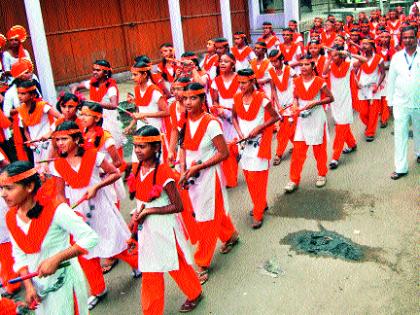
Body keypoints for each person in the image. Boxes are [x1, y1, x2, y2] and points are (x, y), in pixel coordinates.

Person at [50, 122, 138, 309]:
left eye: (64, 139)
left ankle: (138, 264)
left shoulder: (94, 156)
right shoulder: (57, 166)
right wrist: (68, 214)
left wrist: (96, 186)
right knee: (86, 252)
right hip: (79, 214)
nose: (60, 143)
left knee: (117, 242)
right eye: (57, 140)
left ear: (76, 139)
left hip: (100, 208)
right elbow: (59, 194)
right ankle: (98, 289)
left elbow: (114, 173)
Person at [2, 161, 98, 314]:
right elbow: (19, 254)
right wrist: (29, 286)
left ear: (29, 187)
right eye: (1, 188)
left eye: (9, 188)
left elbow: (90, 237)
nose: (3, 194)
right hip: (40, 289)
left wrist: (57, 258)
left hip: (65, 282)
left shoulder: (56, 209)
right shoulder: (11, 217)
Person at [129, 125, 203, 314]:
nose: (137, 150)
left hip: (164, 227)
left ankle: (194, 292)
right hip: (146, 227)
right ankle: (152, 310)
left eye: (143, 146)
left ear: (155, 148)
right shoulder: (136, 168)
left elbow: (178, 206)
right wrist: (136, 219)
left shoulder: (164, 172)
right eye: (136, 146)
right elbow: (140, 199)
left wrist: (150, 211)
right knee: (151, 268)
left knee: (174, 262)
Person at [179, 83, 239, 284]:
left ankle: (202, 261)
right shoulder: (185, 121)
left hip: (208, 178)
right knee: (212, 212)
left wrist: (199, 167)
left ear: (202, 99)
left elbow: (224, 153)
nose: (188, 102)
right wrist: (182, 169)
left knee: (206, 218)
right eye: (185, 98)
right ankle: (230, 235)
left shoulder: (211, 123)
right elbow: (183, 148)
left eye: (193, 98)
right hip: (192, 177)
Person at [232, 69, 279, 228]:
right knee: (249, 178)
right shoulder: (237, 97)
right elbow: (233, 117)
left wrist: (259, 127)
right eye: (239, 82)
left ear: (252, 82)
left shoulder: (262, 99)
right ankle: (261, 203)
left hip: (259, 145)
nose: (240, 86)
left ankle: (258, 213)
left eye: (244, 82)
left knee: (258, 180)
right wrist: (239, 133)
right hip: (244, 145)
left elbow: (276, 117)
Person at [284, 53, 334, 193]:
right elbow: (295, 97)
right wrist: (294, 104)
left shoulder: (319, 81)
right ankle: (294, 179)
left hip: (317, 118)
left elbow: (330, 98)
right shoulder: (297, 81)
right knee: (298, 152)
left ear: (313, 66)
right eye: (301, 65)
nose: (303, 67)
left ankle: (322, 174)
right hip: (302, 119)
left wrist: (316, 102)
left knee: (319, 150)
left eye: (307, 64)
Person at [323, 45, 367, 169]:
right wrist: (330, 58)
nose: (333, 57)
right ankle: (352, 144)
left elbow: (364, 60)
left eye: (336, 55)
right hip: (335, 101)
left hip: (346, 100)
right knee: (342, 124)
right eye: (332, 55)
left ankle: (335, 157)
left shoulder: (349, 64)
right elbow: (324, 72)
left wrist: (348, 53)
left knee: (341, 127)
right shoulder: (330, 65)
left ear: (341, 55)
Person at [387, 26, 420, 180]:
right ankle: (400, 168)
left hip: (418, 102)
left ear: (416, 37)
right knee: (400, 135)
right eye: (405, 37)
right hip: (400, 102)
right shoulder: (396, 57)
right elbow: (391, 81)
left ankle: (419, 153)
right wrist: (389, 101)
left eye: (411, 37)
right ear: (401, 39)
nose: (408, 40)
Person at [71, 60, 126, 151]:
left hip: (108, 119)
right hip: (94, 117)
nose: (95, 72)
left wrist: (95, 103)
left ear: (105, 72)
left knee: (110, 144)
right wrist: (74, 95)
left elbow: (114, 105)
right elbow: (75, 86)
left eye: (98, 70)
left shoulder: (111, 87)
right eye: (94, 70)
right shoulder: (92, 82)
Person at [125, 61, 170, 161]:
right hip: (141, 130)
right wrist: (130, 125)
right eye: (132, 75)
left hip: (155, 129)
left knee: (156, 160)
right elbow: (139, 111)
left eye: (135, 75)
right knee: (138, 159)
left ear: (145, 74)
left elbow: (167, 112)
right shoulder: (137, 89)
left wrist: (144, 115)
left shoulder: (154, 91)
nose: (133, 78)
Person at [16, 80, 62, 169]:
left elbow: (60, 117)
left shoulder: (42, 106)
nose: (19, 96)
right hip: (36, 146)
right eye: (19, 93)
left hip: (48, 143)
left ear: (32, 95)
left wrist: (50, 133)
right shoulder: (21, 110)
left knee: (51, 169)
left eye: (23, 94)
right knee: (40, 172)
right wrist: (31, 143)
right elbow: (26, 130)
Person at [210, 53, 240, 188]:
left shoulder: (239, 79)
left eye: (226, 62)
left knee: (236, 147)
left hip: (238, 116)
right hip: (222, 118)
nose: (222, 64)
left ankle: (233, 172)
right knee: (226, 146)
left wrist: (234, 113)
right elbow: (215, 100)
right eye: (221, 61)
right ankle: (230, 178)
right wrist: (219, 110)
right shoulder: (216, 81)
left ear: (233, 64)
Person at [268, 49, 297, 166]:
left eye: (276, 61)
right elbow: (273, 89)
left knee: (284, 131)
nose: (274, 64)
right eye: (272, 62)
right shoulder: (271, 72)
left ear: (281, 59)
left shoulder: (290, 70)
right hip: (280, 105)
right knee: (288, 128)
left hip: (291, 104)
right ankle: (298, 144)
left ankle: (278, 154)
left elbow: (298, 83)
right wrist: (276, 104)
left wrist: (295, 100)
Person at [356, 37, 385, 142]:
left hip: (374, 88)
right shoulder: (359, 58)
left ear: (372, 46)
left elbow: (383, 73)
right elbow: (354, 72)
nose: (363, 46)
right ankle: (369, 125)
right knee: (363, 112)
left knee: (373, 112)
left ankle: (370, 132)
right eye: (362, 44)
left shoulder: (379, 58)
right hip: (362, 88)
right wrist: (356, 82)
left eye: (366, 44)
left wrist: (377, 85)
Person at [376, 30, 397, 128]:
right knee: (379, 96)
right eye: (382, 37)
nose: (384, 39)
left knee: (385, 97)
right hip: (377, 76)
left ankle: (384, 118)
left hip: (388, 76)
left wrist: (381, 66)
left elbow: (394, 65)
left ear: (390, 39)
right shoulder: (376, 50)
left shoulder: (392, 50)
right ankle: (382, 112)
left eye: (386, 37)